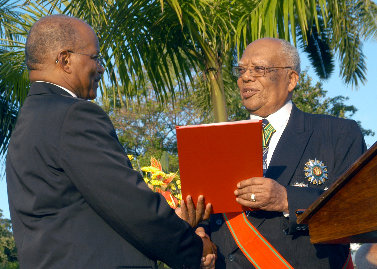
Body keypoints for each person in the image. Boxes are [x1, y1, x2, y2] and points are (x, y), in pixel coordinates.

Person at [6, 14, 216, 269]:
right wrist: (193, 248)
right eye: (95, 58)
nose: (102, 68)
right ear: (65, 60)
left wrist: (176, 221)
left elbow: (83, 211)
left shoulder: (30, 120)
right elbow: (128, 204)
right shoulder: (72, 115)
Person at [199, 38, 366, 268]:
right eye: (241, 70)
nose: (245, 77)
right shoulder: (215, 140)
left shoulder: (337, 133)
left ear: (291, 79)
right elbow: (208, 212)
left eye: (259, 69)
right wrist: (201, 232)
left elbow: (357, 212)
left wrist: (287, 199)